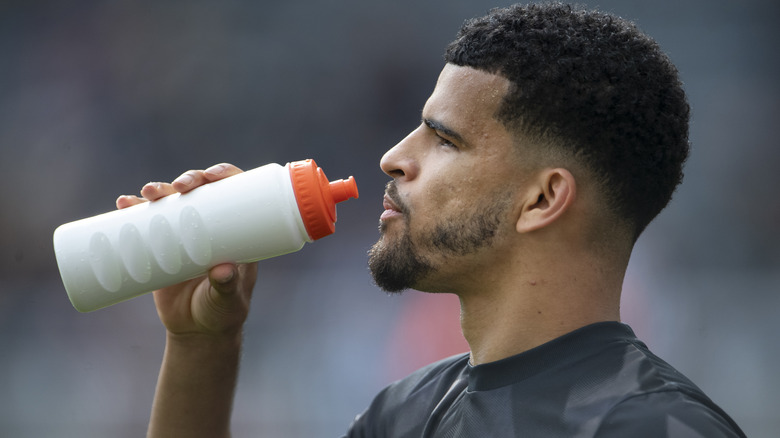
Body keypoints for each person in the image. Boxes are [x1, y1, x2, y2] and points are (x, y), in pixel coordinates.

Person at [118, 3, 745, 437]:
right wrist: (202, 344)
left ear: (543, 200)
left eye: (444, 139)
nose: (394, 157)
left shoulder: (655, 428)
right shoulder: (409, 412)